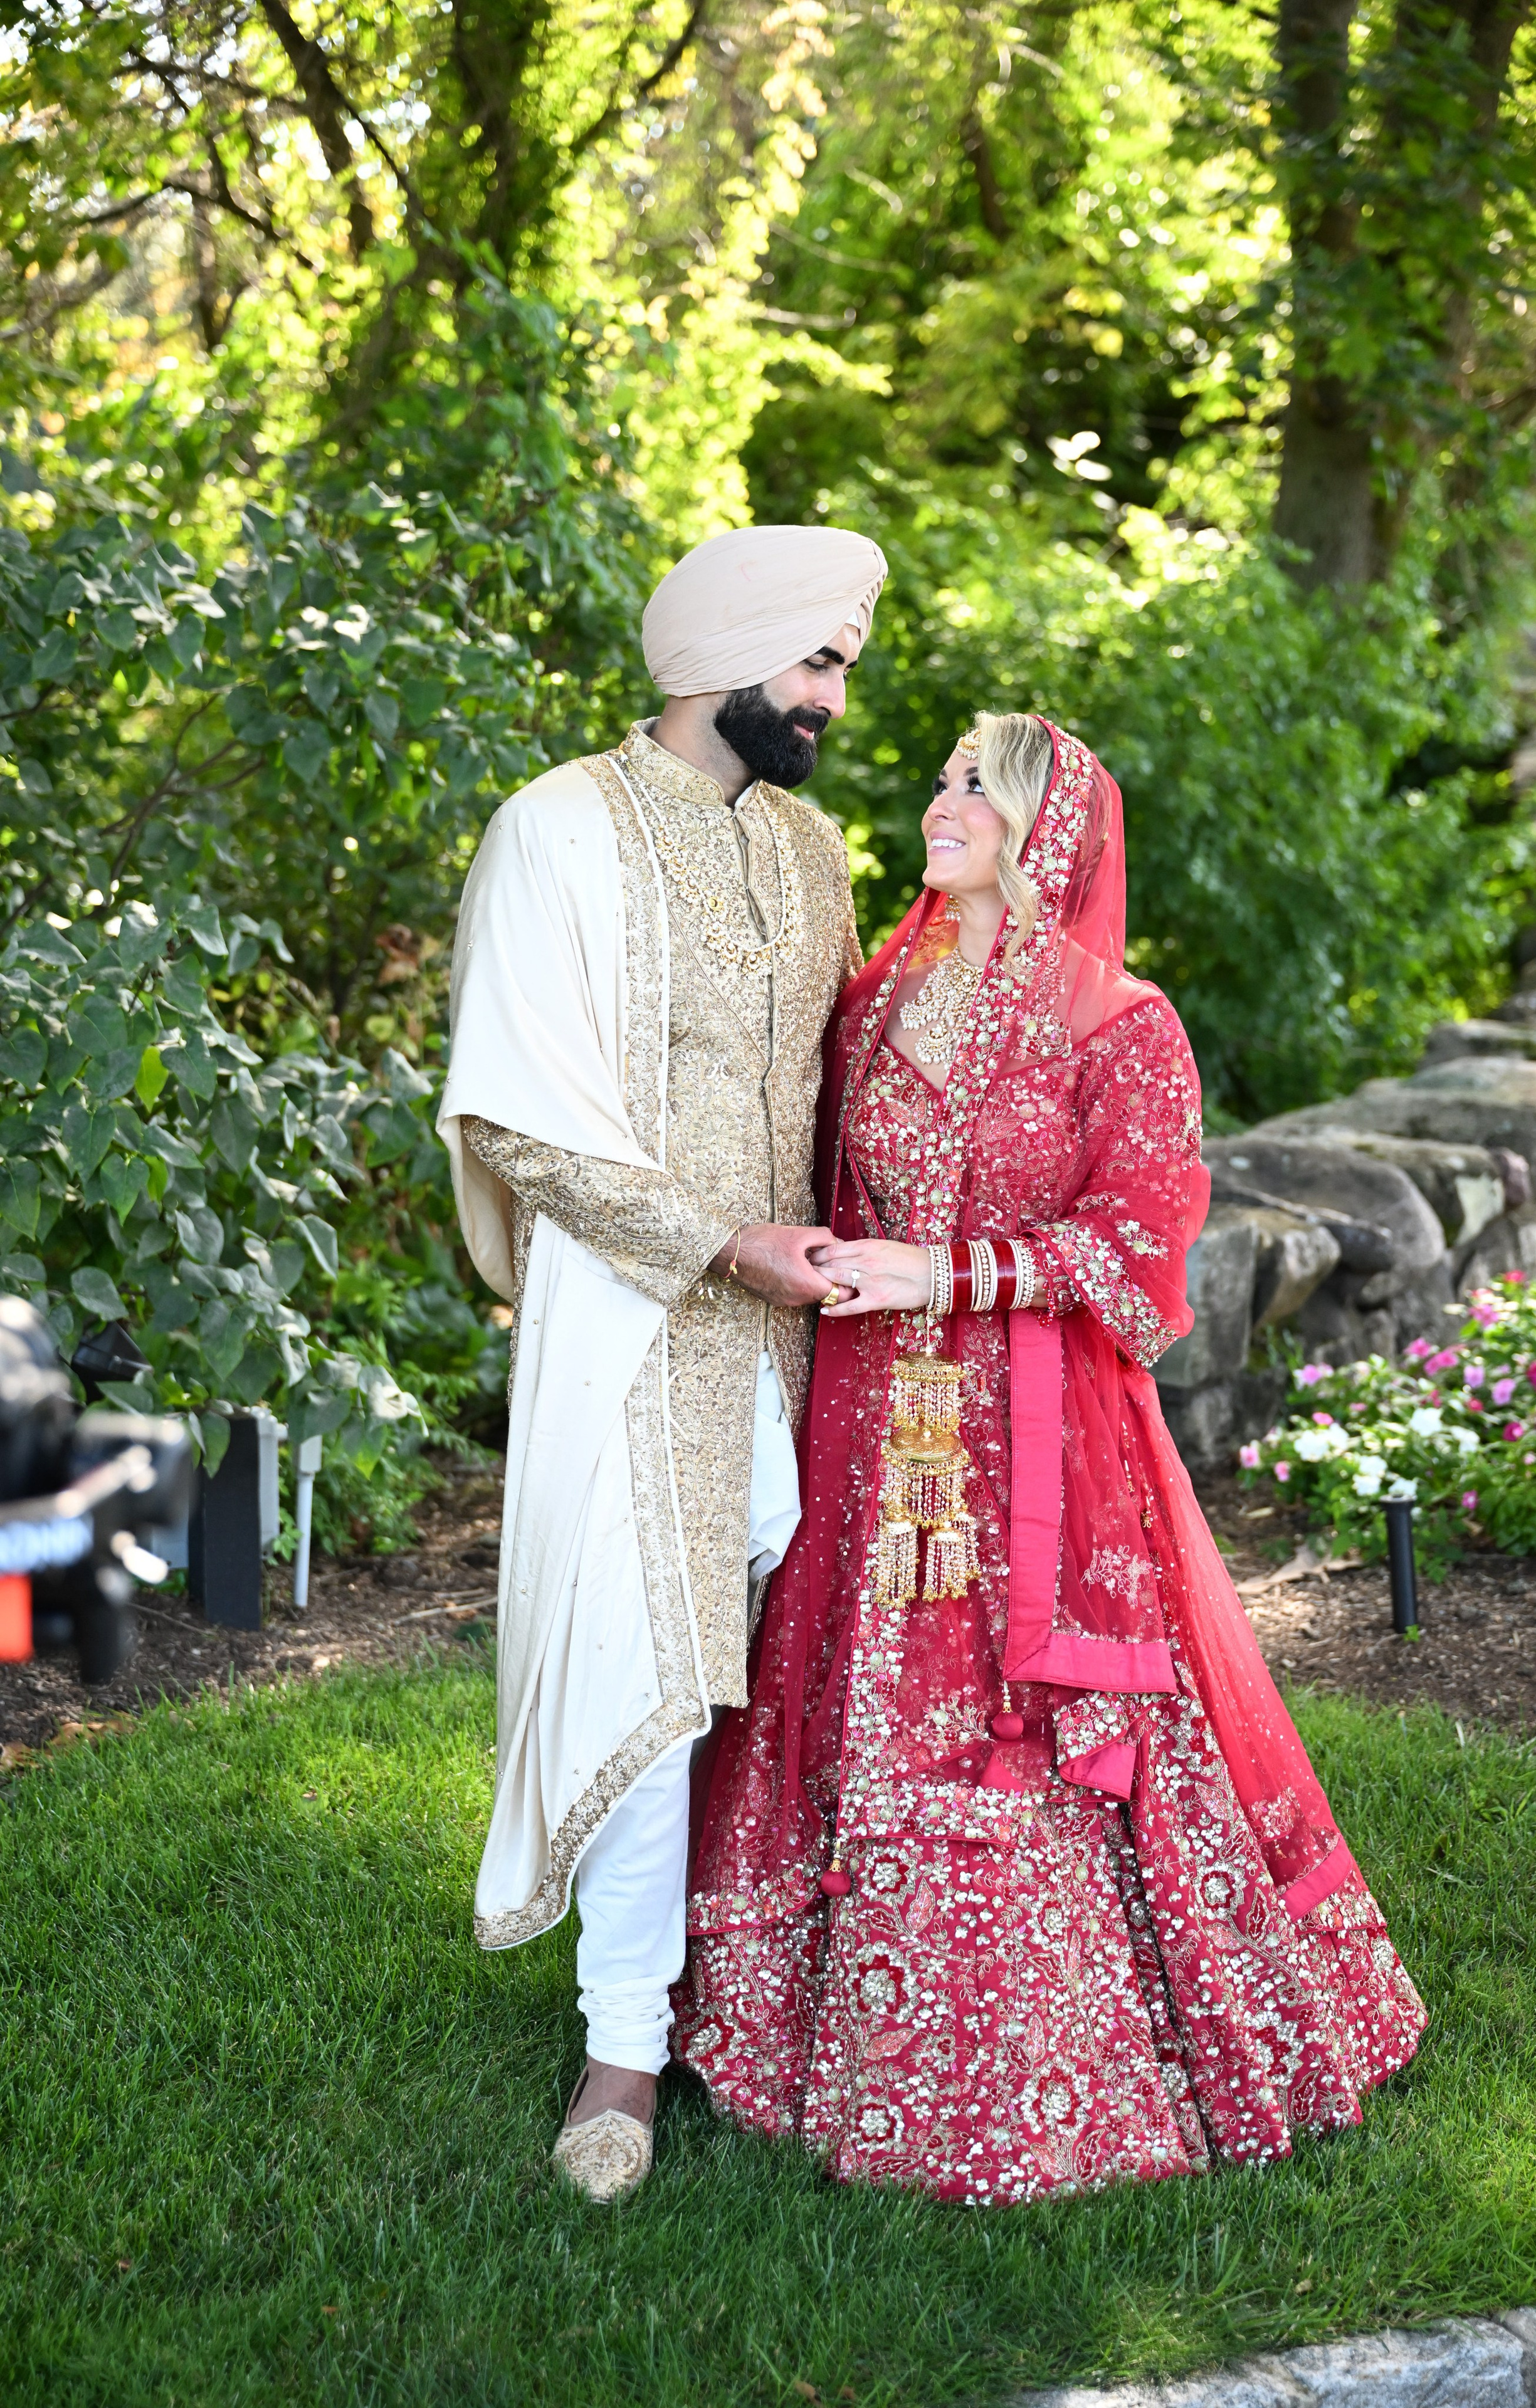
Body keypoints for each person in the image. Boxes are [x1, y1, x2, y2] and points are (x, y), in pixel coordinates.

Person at [673, 712, 1426, 2203]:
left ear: (1045, 831)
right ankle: (804, 2043)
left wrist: (942, 1278)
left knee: (1018, 1704)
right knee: (856, 1675)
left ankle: (1062, 2065)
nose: (940, 799)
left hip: (1036, 1439)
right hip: (872, 1417)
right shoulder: (880, 996)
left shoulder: (1118, 1022)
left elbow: (1143, 1249)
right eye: (945, 775)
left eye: (975, 785)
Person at [438, 523, 887, 2203]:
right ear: (727, 652)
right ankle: (622, 2043)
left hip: (802, 1331)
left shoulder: (816, 848)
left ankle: (763, 2002)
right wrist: (717, 1242)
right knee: (649, 1676)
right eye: (819, 661)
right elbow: (511, 1114)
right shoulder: (554, 833)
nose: (835, 696)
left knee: (790, 1678)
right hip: (635, 1329)